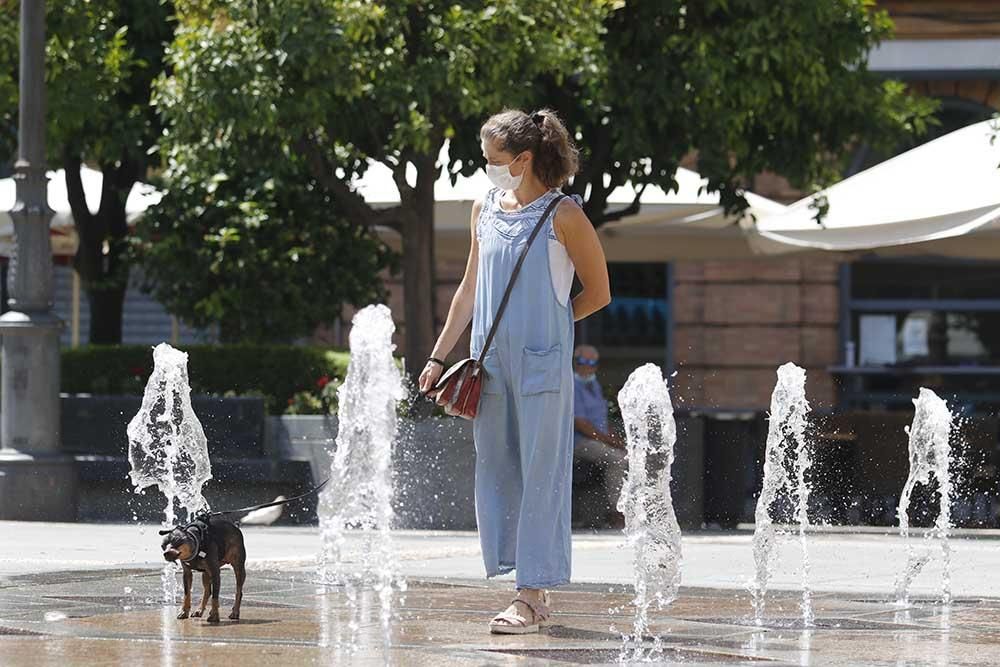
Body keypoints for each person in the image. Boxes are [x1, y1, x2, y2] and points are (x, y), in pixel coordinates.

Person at [419, 108, 610, 634]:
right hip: (489, 365)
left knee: (543, 475)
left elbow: (599, 292)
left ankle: (530, 593)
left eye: (495, 160)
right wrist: (439, 355)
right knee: (498, 469)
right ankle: (520, 579)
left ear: (524, 159)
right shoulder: (483, 207)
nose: (488, 168)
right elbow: (468, 289)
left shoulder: (565, 215)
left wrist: (552, 330)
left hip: (543, 365)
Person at [571, 344, 628, 528]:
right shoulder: (572, 384)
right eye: (582, 362)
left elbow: (601, 421)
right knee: (617, 459)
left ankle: (633, 509)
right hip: (579, 442)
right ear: (575, 363)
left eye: (591, 363)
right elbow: (581, 424)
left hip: (597, 440)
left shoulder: (593, 385)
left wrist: (617, 440)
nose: (587, 367)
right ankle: (617, 512)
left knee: (631, 455)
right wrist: (610, 442)